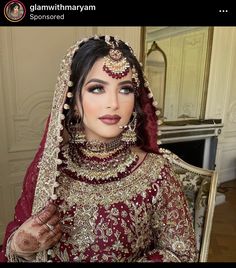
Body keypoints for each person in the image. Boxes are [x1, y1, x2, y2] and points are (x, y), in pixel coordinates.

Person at [0, 35, 197, 262]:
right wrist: (19, 246)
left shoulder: (157, 173)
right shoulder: (48, 171)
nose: (113, 103)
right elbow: (15, 241)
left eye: (125, 89)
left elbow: (181, 253)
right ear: (72, 102)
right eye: (96, 89)